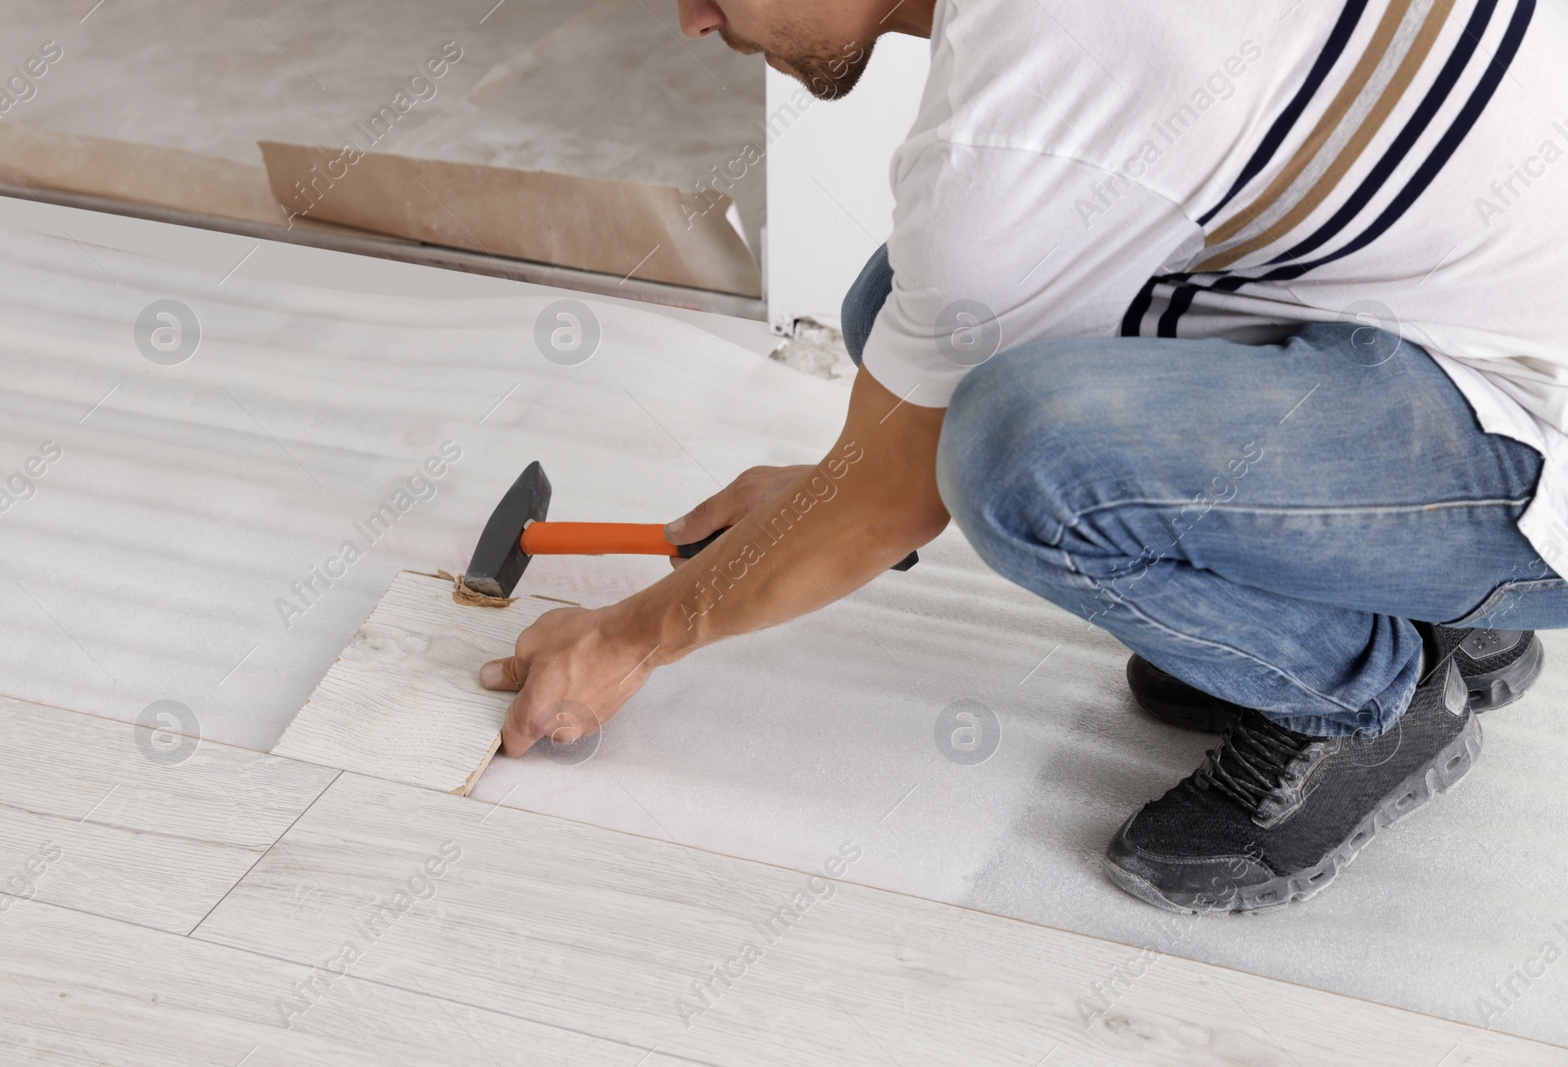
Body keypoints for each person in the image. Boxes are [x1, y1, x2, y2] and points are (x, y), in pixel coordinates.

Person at [480, 0, 1568, 913]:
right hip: (1465, 318)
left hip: (1526, 421)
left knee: (1020, 453)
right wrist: (819, 492)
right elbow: (889, 448)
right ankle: (1452, 611)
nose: (693, 18)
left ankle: (1365, 693)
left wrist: (628, 638)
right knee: (905, 310)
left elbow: (890, 499)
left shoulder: (1028, 121)